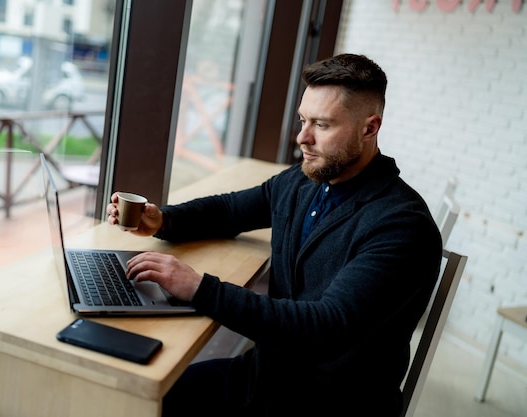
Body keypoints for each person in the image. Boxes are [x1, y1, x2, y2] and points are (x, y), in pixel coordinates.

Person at [106, 53, 443, 417]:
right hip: (268, 377)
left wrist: (200, 288)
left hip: (330, 403)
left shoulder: (402, 226)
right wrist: (164, 221)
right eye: (302, 120)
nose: (303, 137)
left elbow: (325, 327)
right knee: (140, 399)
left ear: (369, 128)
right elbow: (232, 209)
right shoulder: (307, 180)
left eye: (322, 125)